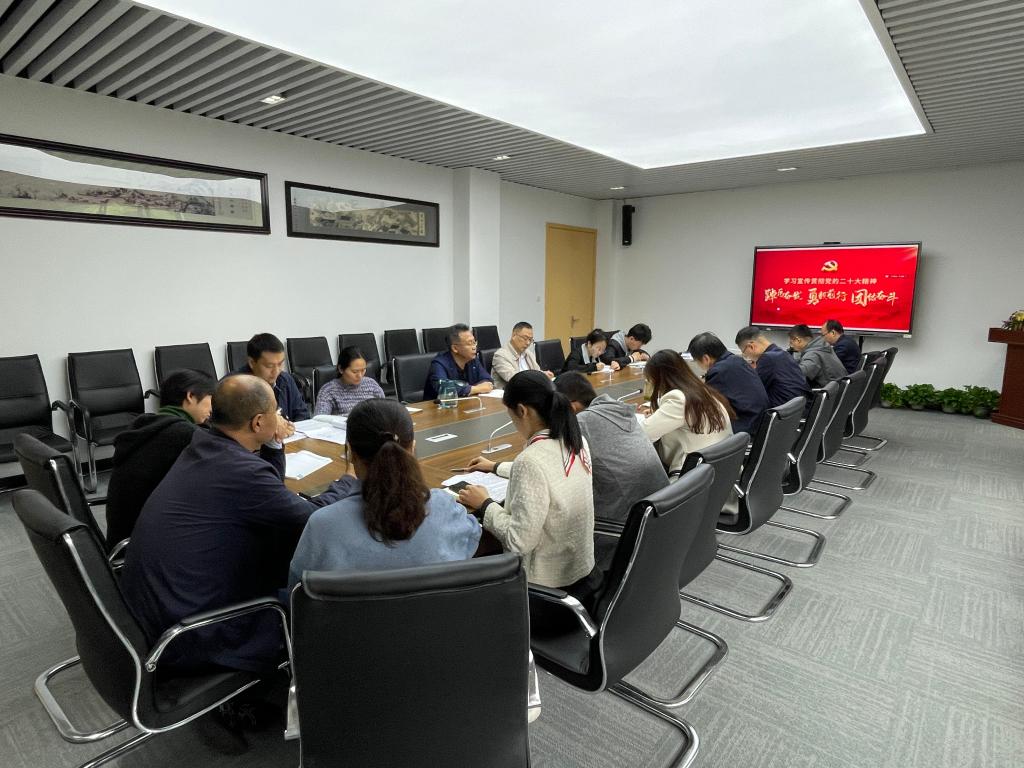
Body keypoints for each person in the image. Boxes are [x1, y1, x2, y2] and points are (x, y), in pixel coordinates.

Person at [121, 375, 356, 674]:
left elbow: (266, 487)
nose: (280, 416)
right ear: (257, 422)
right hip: (192, 634)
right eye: (275, 411)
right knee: (315, 599)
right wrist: (349, 479)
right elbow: (314, 519)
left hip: (154, 611)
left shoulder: (203, 445)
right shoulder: (239, 471)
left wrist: (273, 443)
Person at [289, 400, 480, 588]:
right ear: (413, 448)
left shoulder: (323, 525)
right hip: (435, 609)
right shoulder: (442, 506)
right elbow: (472, 538)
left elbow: (299, 594)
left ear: (350, 453)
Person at [457, 370, 599, 603]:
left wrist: (485, 504)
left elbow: (518, 541)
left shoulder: (531, 460)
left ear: (522, 411)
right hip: (582, 575)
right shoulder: (575, 439)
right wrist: (495, 466)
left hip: (545, 591)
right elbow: (549, 471)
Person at [105, 369, 216, 550]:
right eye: (210, 398)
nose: (212, 408)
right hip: (149, 546)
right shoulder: (184, 434)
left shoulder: (146, 425)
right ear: (190, 396)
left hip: (122, 540)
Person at [554, 371, 667, 522]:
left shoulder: (582, 422)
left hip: (627, 523)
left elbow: (555, 467)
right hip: (661, 511)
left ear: (570, 407)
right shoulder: (617, 410)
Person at [640, 350, 735, 473]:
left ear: (660, 378)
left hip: (693, 474)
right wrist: (659, 414)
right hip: (723, 468)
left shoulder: (678, 399)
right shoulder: (703, 391)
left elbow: (642, 435)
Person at [686, 332, 769, 436]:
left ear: (706, 358)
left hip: (745, 427)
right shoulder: (736, 360)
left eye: (696, 361)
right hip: (759, 421)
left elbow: (709, 406)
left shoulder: (718, 372)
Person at [238, 333, 309, 422]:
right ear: (252, 363)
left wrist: (291, 426)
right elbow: (238, 426)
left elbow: (302, 414)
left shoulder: (285, 379)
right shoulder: (236, 388)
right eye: (269, 366)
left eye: (280, 364)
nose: (276, 371)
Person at [734, 325, 810, 407]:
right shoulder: (783, 354)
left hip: (782, 411)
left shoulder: (767, 358)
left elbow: (751, 391)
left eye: (744, 352)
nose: (746, 356)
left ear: (751, 346)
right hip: (799, 408)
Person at [422, 323, 494, 401]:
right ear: (455, 348)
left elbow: (487, 380)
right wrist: (476, 389)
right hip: (439, 406)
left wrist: (472, 389)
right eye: (470, 343)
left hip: (467, 403)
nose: (474, 347)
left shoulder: (472, 359)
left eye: (474, 342)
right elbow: (445, 388)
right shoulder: (439, 364)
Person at [313, 345, 385, 416]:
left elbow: (385, 410)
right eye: (355, 372)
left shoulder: (372, 384)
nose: (360, 376)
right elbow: (319, 418)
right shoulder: (329, 391)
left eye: (363, 370)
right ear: (341, 369)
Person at [490, 321, 553, 389]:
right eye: (525, 338)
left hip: (531, 390)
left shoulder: (528, 354)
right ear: (514, 335)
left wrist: (543, 374)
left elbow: (536, 371)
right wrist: (538, 378)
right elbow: (514, 379)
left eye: (530, 339)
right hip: (511, 392)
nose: (528, 343)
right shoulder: (501, 355)